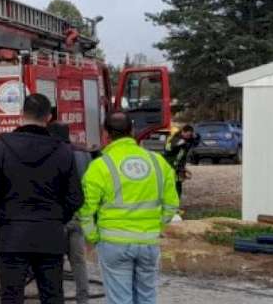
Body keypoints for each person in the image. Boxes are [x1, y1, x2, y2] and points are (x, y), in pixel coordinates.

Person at [0, 94, 84, 304]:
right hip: (50, 235)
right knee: (52, 296)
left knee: (11, 297)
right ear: (48, 117)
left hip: (11, 235)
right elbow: (75, 196)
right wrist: (57, 218)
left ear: (21, 114)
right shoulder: (63, 151)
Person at [79, 113, 180, 304]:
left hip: (113, 243)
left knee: (120, 299)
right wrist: (156, 227)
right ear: (132, 131)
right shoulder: (158, 162)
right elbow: (171, 204)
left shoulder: (100, 166)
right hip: (148, 242)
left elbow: (85, 209)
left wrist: (93, 236)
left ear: (106, 134)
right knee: (147, 297)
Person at [47, 121, 92, 304]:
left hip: (57, 216)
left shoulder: (52, 153)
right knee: (79, 262)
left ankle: (57, 298)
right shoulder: (84, 154)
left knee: (54, 262)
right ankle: (83, 298)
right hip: (78, 214)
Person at [163, 125, 200, 198]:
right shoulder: (176, 139)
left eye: (190, 135)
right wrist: (179, 144)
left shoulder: (187, 139)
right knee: (172, 183)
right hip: (170, 163)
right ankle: (173, 200)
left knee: (178, 182)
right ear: (183, 132)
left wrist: (197, 136)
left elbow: (195, 142)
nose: (188, 137)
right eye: (187, 135)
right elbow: (169, 150)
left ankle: (177, 200)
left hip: (178, 164)